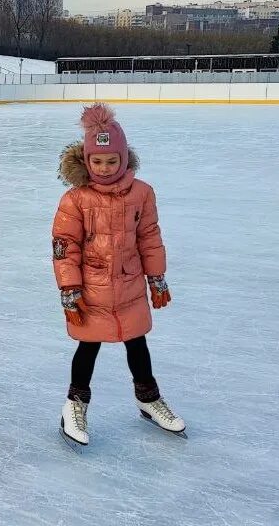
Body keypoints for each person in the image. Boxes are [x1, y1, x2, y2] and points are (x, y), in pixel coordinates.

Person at [51, 103, 185, 446]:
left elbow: (150, 237)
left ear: (124, 158)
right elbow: (65, 245)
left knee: (137, 342)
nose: (105, 168)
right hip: (90, 290)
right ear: (86, 160)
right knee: (88, 345)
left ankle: (148, 398)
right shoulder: (75, 199)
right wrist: (70, 288)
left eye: (112, 160)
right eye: (97, 161)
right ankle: (74, 405)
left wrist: (156, 277)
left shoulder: (142, 193)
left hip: (129, 284)